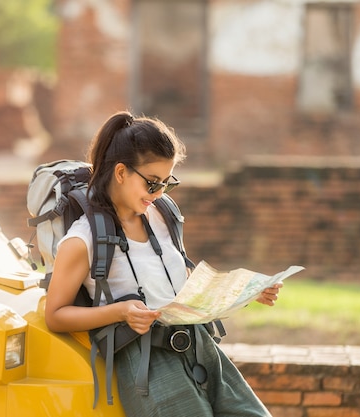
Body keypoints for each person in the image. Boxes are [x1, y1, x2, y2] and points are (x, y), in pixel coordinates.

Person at [44, 110, 282, 416]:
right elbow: (55, 315)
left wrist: (244, 291)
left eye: (166, 184)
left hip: (200, 345)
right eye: (152, 184)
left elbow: (179, 277)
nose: (158, 194)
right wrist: (121, 311)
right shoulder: (83, 240)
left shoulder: (163, 214)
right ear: (120, 172)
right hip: (148, 364)